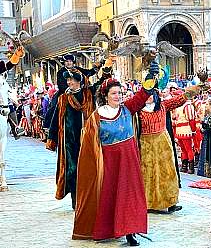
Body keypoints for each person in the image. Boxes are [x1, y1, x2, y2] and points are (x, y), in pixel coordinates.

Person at [72, 61, 159, 246]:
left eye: (120, 93)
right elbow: (88, 146)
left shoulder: (127, 109)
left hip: (129, 161)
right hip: (109, 163)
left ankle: (130, 232)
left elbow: (143, 94)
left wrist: (151, 76)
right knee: (110, 196)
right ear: (105, 95)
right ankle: (106, 229)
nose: (118, 96)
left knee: (129, 195)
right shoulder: (96, 117)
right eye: (114, 93)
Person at [46, 68, 107, 209]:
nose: (69, 82)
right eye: (67, 80)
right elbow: (56, 119)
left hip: (88, 139)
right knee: (73, 171)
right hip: (69, 142)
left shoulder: (89, 94)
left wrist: (107, 66)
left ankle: (90, 198)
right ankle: (76, 200)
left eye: (71, 80)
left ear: (79, 81)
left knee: (90, 169)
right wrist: (52, 138)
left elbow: (101, 82)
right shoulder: (63, 99)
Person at [138, 86, 199, 213]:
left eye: (151, 94)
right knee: (147, 174)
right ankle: (147, 203)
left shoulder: (162, 106)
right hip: (145, 145)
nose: (148, 97)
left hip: (162, 144)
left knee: (167, 173)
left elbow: (179, 99)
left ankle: (170, 202)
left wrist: (195, 89)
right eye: (146, 95)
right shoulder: (138, 110)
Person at [43, 53, 103, 130]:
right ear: (64, 63)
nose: (69, 63)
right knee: (54, 106)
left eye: (70, 61)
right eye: (67, 61)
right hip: (65, 91)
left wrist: (97, 67)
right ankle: (50, 126)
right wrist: (67, 90)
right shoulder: (60, 72)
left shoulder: (78, 70)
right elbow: (61, 84)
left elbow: (89, 72)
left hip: (79, 91)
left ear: (73, 62)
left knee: (91, 101)